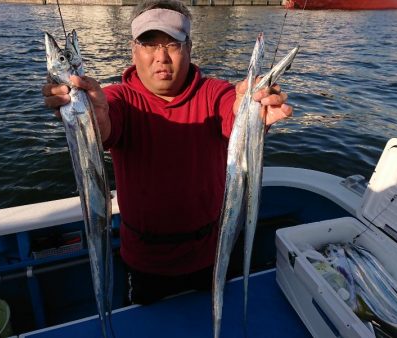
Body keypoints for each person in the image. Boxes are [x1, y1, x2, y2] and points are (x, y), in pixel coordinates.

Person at [42, 0, 292, 305]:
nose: (161, 57)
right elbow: (106, 124)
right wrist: (90, 118)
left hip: (213, 251)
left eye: (172, 43)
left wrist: (251, 112)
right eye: (149, 44)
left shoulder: (215, 93)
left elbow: (233, 111)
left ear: (189, 47)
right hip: (145, 260)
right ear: (133, 49)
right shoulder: (117, 99)